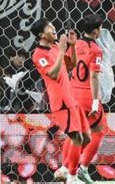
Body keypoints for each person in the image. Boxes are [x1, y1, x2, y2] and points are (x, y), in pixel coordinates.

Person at [30, 18, 90, 183]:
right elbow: (54, 74)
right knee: (77, 138)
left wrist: (71, 46)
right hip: (61, 102)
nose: (54, 28)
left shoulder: (56, 46)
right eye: (49, 27)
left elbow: (72, 64)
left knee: (86, 138)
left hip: (71, 99)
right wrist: (63, 50)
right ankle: (72, 177)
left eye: (53, 26)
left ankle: (65, 168)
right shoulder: (38, 54)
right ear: (41, 34)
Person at [54, 14, 105, 183]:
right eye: (101, 27)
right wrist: (96, 102)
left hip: (73, 92)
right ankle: (80, 167)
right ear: (96, 31)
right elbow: (94, 77)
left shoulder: (75, 45)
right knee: (98, 131)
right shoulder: (96, 49)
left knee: (73, 134)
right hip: (87, 95)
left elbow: (68, 65)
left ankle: (64, 168)